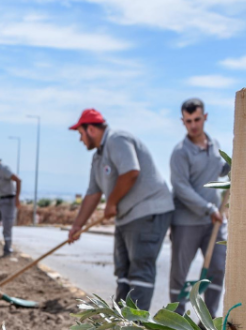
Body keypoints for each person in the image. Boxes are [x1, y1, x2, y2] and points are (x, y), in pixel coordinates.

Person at [66, 108, 174, 310]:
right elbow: (92, 194)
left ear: (91, 129)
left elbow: (131, 172)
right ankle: (121, 323)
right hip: (127, 217)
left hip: (148, 211)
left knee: (140, 270)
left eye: (80, 133)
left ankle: (134, 326)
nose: (80, 140)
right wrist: (77, 226)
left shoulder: (117, 139)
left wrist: (112, 202)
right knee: (122, 272)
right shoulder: (98, 157)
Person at [169, 97, 230, 315]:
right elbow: (181, 187)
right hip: (187, 223)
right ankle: (177, 324)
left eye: (197, 119)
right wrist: (208, 208)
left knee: (218, 269)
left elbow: (219, 169)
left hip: (213, 222)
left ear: (204, 117)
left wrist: (233, 164)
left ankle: (209, 320)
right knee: (180, 274)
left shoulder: (215, 146)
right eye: (188, 121)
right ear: (182, 122)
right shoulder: (180, 152)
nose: (193, 125)